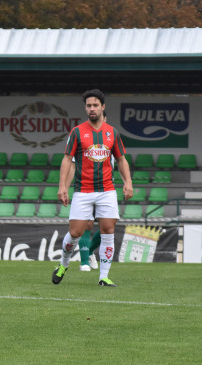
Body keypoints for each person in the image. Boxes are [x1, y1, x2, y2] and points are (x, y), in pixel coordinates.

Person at [52, 89, 132, 286]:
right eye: (89, 105)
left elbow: (121, 159)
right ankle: (63, 264)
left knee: (108, 230)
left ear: (103, 107)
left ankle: (103, 276)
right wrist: (63, 186)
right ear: (85, 108)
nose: (92, 109)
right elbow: (67, 159)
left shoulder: (112, 132)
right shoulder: (77, 132)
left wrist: (128, 182)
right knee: (76, 233)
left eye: (95, 105)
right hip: (83, 190)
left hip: (107, 190)